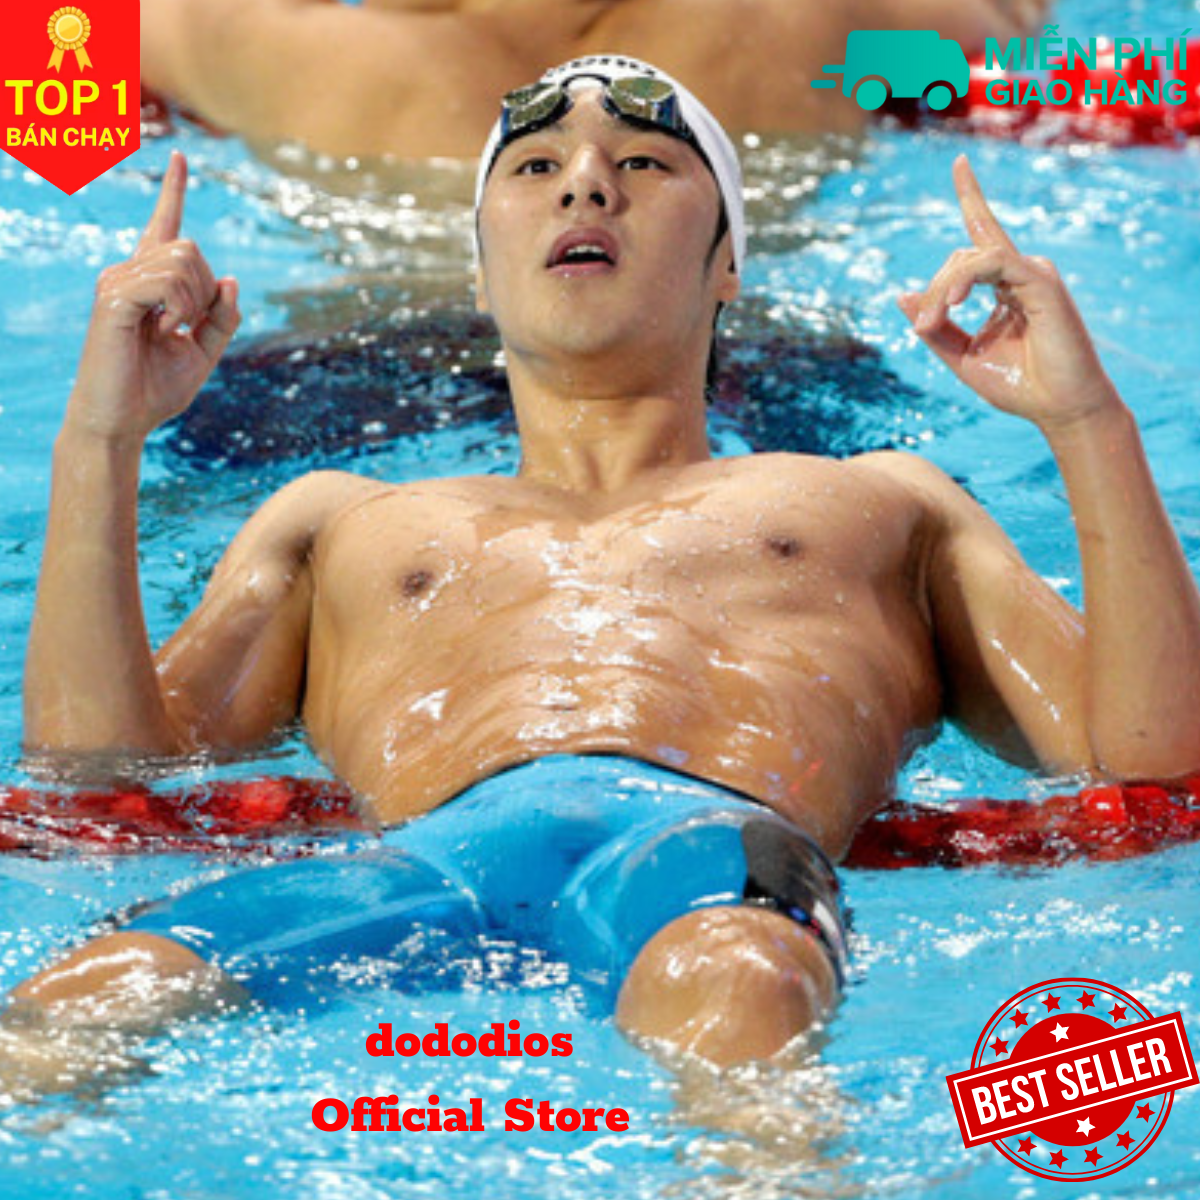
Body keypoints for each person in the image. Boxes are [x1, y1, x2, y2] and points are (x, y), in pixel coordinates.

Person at [8, 56, 1200, 1096]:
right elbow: (100, 777)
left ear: (729, 267)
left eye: (644, 162)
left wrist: (1088, 424)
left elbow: (1151, 759)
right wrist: (101, 440)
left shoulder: (884, 503)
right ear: (482, 274)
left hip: (710, 859)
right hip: (409, 869)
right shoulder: (337, 522)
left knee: (740, 981)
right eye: (534, 168)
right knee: (78, 997)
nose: (585, 183)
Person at [141, 0, 1050, 156]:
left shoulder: (288, 50)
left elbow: (72, 40)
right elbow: (1017, 34)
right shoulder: (825, 25)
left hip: (376, 365)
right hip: (748, 361)